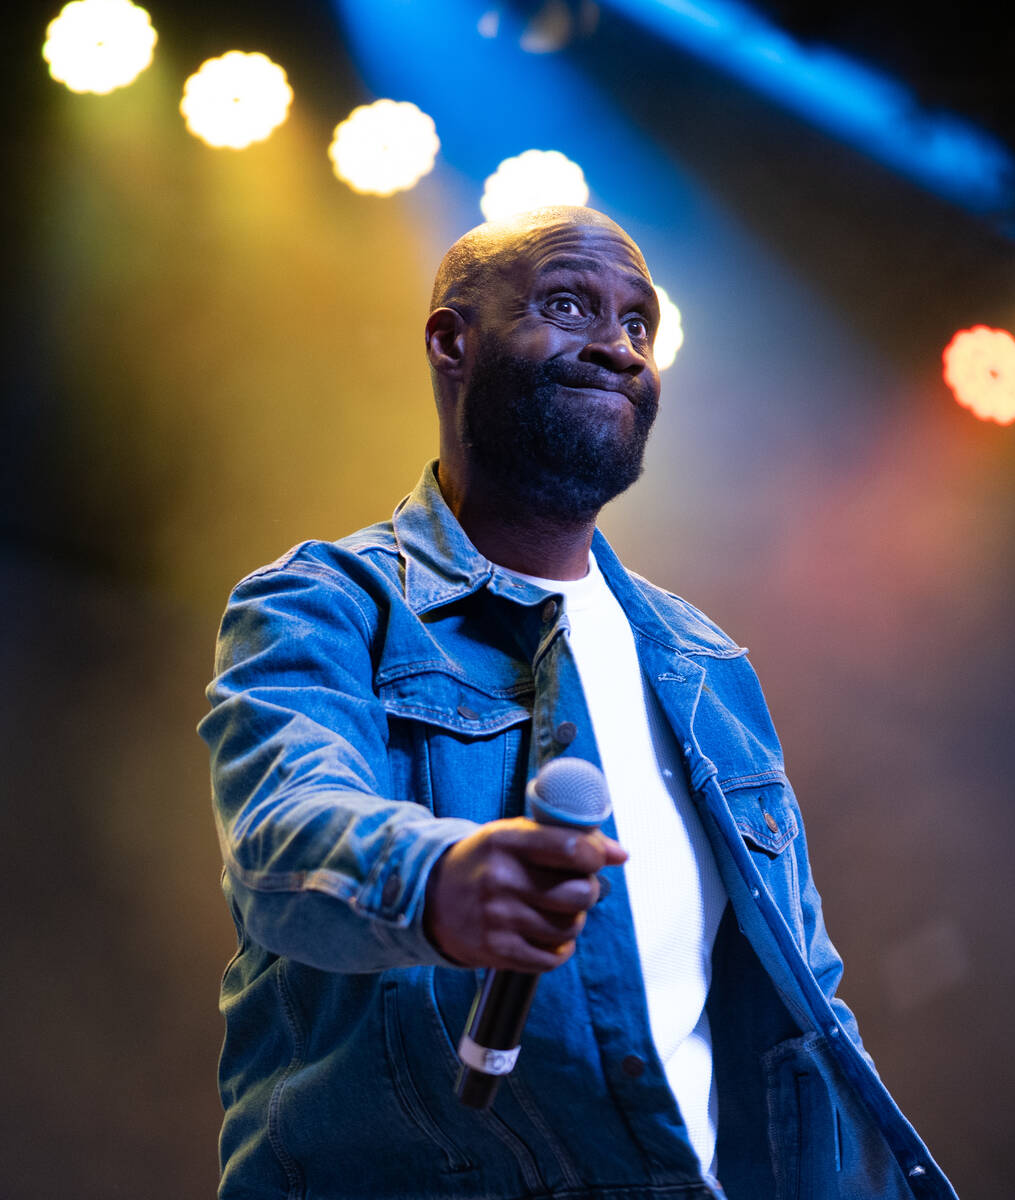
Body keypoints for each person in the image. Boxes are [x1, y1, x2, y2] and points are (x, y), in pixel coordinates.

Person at [200, 206, 957, 1199]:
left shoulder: (702, 663)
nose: (614, 345)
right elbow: (279, 840)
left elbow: (803, 1008)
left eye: (638, 325)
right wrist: (437, 881)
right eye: (567, 305)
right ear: (451, 341)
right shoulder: (325, 603)